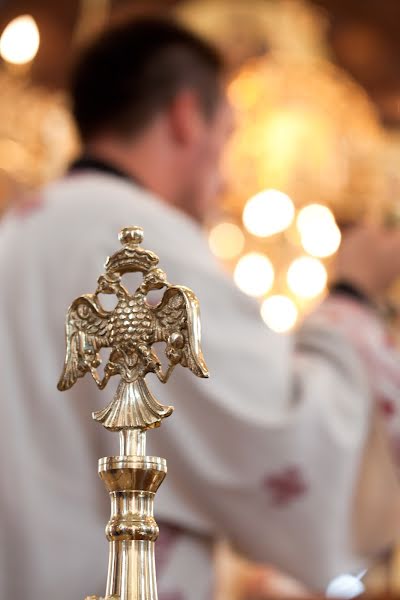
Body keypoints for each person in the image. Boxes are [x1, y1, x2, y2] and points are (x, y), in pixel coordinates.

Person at [1, 16, 400, 600]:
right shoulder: (138, 240)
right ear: (188, 117)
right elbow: (285, 440)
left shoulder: (14, 234)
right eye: (229, 133)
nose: (226, 177)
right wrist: (352, 298)